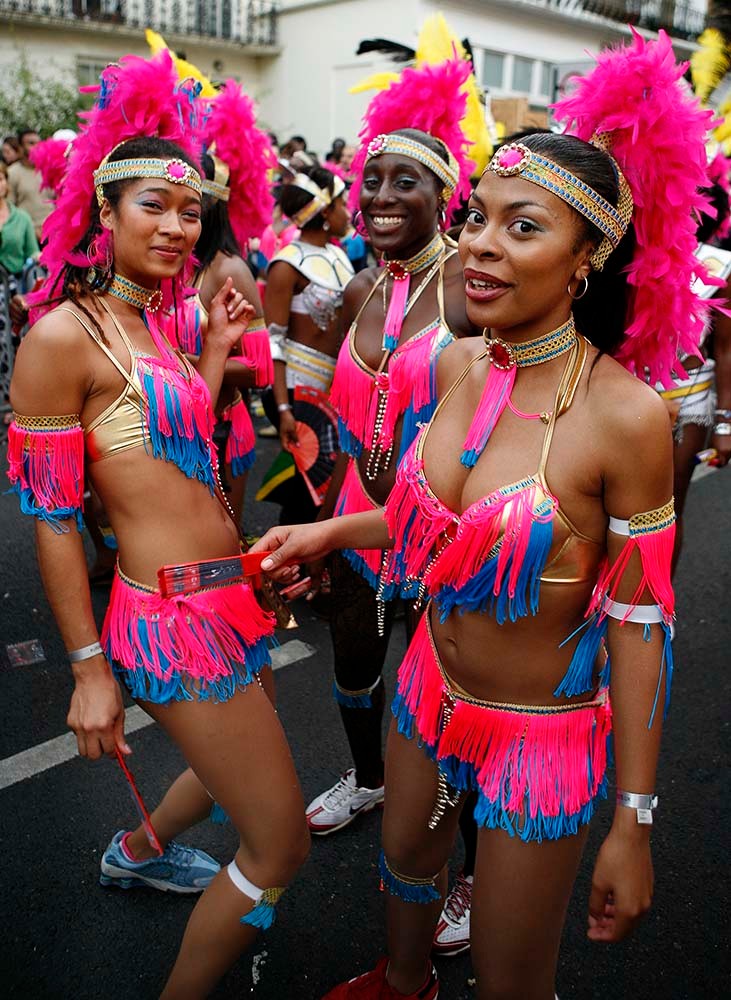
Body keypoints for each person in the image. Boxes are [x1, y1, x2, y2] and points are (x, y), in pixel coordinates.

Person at [253, 32, 711, 999]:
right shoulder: (465, 364)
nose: (480, 244)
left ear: (587, 258)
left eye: (524, 227)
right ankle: (402, 981)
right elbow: (433, 523)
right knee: (408, 878)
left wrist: (632, 822)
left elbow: (637, 629)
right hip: (426, 690)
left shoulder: (624, 416)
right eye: (478, 217)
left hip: (537, 732)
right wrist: (329, 531)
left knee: (509, 971)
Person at [7, 54, 309, 1000]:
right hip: (171, 623)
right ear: (104, 214)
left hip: (228, 601)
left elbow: (178, 464)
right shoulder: (66, 336)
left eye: (190, 212)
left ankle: (138, 850)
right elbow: (54, 521)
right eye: (153, 207)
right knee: (282, 843)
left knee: (237, 774)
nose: (179, 227)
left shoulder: (160, 327)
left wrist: (213, 353)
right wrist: (90, 672)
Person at [300, 59, 477, 841]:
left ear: (444, 199)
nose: (379, 197)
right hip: (357, 525)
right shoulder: (354, 291)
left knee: (451, 701)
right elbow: (341, 422)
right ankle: (368, 780)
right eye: (371, 181)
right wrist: (322, 525)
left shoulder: (471, 292)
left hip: (441, 535)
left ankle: (466, 864)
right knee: (352, 672)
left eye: (405, 182)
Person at [264, 165, 353, 524]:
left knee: (326, 486)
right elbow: (274, 340)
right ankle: (286, 567)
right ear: (326, 211)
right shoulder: (287, 264)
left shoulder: (341, 257)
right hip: (294, 391)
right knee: (304, 489)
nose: (349, 211)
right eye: (343, 203)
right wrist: (284, 410)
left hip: (333, 390)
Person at [7, 127, 51, 241]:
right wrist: (31, 230)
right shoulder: (12, 173)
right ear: (20, 148)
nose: (37, 146)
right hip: (28, 237)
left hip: (53, 235)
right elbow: (9, 209)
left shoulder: (48, 170)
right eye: (31, 143)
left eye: (38, 143)